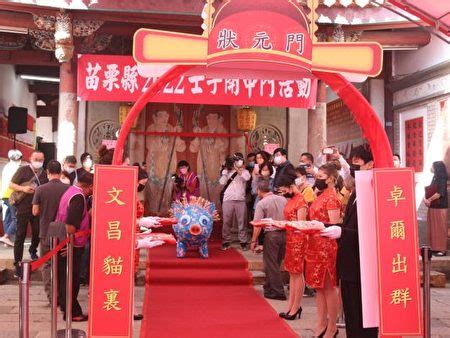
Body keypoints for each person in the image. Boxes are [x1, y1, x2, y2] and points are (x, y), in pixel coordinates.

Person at [321, 144, 378, 338]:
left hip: (362, 266)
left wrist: (342, 233)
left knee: (363, 319)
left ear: (370, 164)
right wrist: (324, 225)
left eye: (357, 164)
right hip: (349, 264)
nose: (352, 168)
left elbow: (370, 233)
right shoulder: (356, 190)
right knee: (352, 316)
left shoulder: (373, 190)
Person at [305, 162, 342, 338]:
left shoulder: (332, 198)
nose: (317, 180)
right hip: (315, 245)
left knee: (328, 288)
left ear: (331, 179)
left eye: (320, 177)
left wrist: (315, 226)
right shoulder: (320, 195)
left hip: (327, 247)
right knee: (319, 288)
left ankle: (332, 326)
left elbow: (334, 226)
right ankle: (321, 323)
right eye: (317, 177)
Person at [55, 172, 93, 322]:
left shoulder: (70, 191)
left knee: (66, 277)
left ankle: (67, 308)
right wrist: (68, 245)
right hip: (71, 244)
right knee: (72, 279)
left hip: (63, 241)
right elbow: (71, 226)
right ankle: (73, 312)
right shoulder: (78, 198)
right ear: (89, 186)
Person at [32, 160, 69, 302]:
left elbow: (35, 211)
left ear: (47, 172)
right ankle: (63, 295)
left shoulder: (40, 189)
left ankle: (52, 297)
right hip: (63, 232)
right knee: (63, 263)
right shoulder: (68, 189)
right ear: (60, 173)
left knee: (47, 264)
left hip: (46, 231)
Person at [9, 150, 48, 276]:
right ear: (30, 159)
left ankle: (32, 249)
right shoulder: (23, 170)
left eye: (40, 160)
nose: (38, 162)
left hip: (37, 208)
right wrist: (23, 188)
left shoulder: (44, 174)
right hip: (23, 208)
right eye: (36, 159)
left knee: (37, 232)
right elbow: (11, 184)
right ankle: (17, 264)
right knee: (20, 235)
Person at [250, 178, 287, 300]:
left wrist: (254, 240)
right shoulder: (283, 199)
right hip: (285, 233)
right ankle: (269, 287)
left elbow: (257, 224)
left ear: (259, 191)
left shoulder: (261, 203)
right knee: (276, 262)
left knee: (271, 265)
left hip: (271, 235)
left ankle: (278, 291)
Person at [277, 176, 308, 320]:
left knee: (297, 273)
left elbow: (301, 225)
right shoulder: (291, 199)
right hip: (290, 238)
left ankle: (296, 306)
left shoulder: (301, 200)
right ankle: (291, 306)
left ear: (291, 186)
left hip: (299, 240)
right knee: (291, 273)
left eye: (283, 190)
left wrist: (284, 225)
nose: (282, 192)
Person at [220, 152, 251, 251]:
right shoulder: (227, 171)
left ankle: (243, 242)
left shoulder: (245, 171)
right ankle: (226, 241)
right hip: (228, 199)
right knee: (226, 221)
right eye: (236, 160)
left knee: (242, 222)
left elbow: (247, 178)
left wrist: (238, 170)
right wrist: (225, 171)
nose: (238, 162)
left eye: (240, 159)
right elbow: (221, 182)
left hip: (240, 200)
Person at [425, 161, 448, 256]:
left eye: (432, 166)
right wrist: (426, 199)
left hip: (440, 207)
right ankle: (434, 247)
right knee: (433, 227)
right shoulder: (435, 177)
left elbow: (439, 193)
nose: (431, 167)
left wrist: (429, 199)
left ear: (437, 168)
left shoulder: (442, 178)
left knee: (440, 228)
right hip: (433, 206)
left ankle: (442, 249)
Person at [0, 149, 22, 247]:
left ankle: (6, 241)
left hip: (4, 194)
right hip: (12, 194)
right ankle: (6, 236)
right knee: (16, 218)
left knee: (7, 217)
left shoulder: (7, 167)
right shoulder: (17, 168)